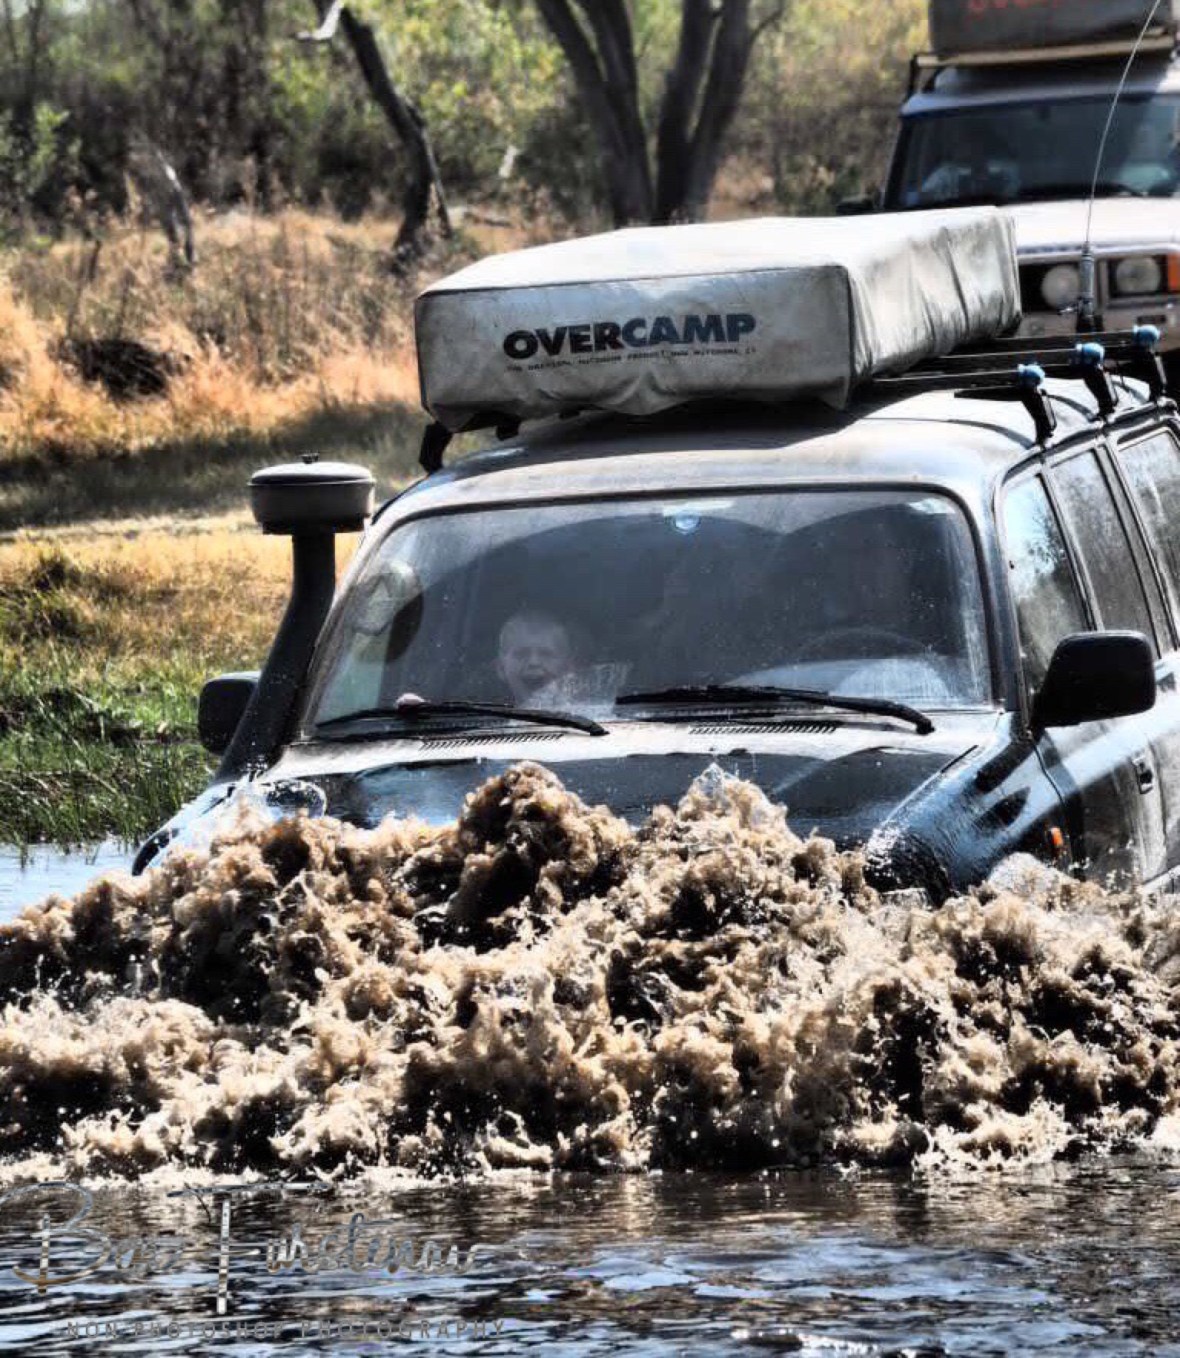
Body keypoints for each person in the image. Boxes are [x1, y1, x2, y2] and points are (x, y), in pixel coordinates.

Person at [495, 609, 578, 703]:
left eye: (546, 654)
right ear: (501, 668)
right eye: (521, 654)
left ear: (568, 668)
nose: (534, 662)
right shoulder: (485, 713)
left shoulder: (589, 714)